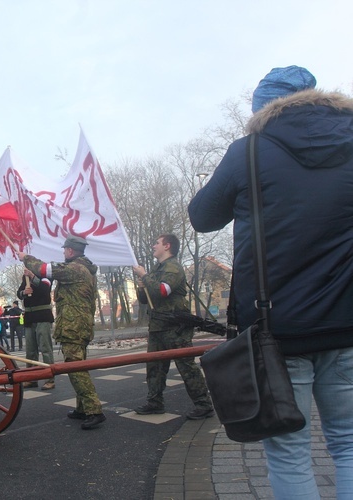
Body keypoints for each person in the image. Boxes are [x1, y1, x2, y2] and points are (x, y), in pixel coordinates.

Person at [189, 65, 353, 499]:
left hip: (276, 331)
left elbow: (202, 217)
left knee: (289, 453)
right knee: (349, 444)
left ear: (263, 108)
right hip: (348, 323)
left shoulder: (248, 152)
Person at [19, 235, 105, 430]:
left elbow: (45, 269)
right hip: (78, 325)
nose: (63, 252)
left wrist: (26, 257)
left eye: (65, 249)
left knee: (75, 368)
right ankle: (82, 408)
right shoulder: (83, 268)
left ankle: (94, 410)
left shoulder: (75, 269)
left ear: (71, 251)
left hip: (74, 327)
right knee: (78, 366)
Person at [132, 234, 214, 419]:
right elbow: (146, 299)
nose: (153, 246)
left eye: (156, 242)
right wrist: (141, 286)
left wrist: (145, 276)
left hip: (175, 327)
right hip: (158, 326)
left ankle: (204, 404)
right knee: (154, 367)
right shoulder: (156, 269)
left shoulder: (173, 268)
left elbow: (162, 291)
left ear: (167, 246)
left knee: (186, 366)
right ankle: (155, 403)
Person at [18, 268, 55, 390]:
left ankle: (50, 378)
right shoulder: (26, 277)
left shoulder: (46, 275)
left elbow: (45, 289)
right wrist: (24, 292)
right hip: (29, 317)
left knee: (45, 349)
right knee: (30, 351)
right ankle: (31, 378)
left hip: (43, 316)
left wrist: (33, 276)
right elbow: (19, 293)